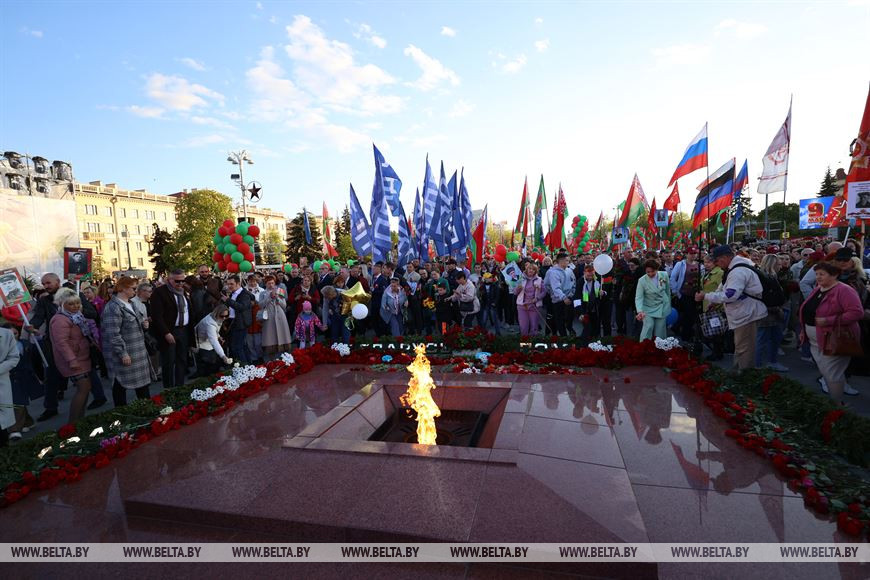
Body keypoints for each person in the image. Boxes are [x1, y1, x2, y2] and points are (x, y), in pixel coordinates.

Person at [799, 262, 865, 404]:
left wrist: (828, 320)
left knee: (832, 373)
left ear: (834, 275)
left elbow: (856, 312)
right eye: (817, 274)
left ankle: (837, 405)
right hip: (817, 341)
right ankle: (835, 403)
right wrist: (804, 331)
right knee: (827, 373)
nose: (818, 277)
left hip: (835, 339)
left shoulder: (844, 290)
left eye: (822, 274)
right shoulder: (819, 288)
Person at [695, 245, 767, 371]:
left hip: (746, 314)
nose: (716, 264)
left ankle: (744, 375)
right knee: (741, 347)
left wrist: (706, 296)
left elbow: (730, 295)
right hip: (743, 313)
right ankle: (739, 371)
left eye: (716, 261)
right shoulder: (735, 267)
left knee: (744, 348)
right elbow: (725, 287)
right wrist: (714, 300)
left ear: (724, 258)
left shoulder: (738, 271)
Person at [101, 276, 155, 406]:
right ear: (123, 288)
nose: (135, 291)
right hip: (125, 355)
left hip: (138, 352)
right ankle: (121, 414)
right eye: (133, 288)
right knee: (120, 386)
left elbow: (136, 323)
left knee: (143, 387)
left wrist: (144, 325)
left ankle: (146, 411)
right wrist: (123, 353)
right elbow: (113, 334)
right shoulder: (113, 307)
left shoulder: (131, 303)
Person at [49, 288, 98, 423]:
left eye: (77, 303)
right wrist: (72, 360)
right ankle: (73, 423)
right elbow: (61, 343)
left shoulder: (76, 315)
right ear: (62, 304)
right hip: (73, 360)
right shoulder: (60, 319)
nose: (75, 306)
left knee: (86, 389)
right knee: (83, 388)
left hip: (82, 357)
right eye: (71, 304)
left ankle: (79, 421)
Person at [24, 273, 64, 421]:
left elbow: (90, 313)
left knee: (84, 373)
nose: (46, 286)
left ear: (57, 281)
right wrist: (32, 325)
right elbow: (39, 317)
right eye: (44, 283)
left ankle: (98, 396)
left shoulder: (72, 295)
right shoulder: (44, 301)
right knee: (50, 373)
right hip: (52, 341)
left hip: (74, 340)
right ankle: (50, 407)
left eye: (48, 283)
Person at [149, 269, 192, 390]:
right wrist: (166, 332)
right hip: (169, 331)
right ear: (169, 280)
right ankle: (169, 389)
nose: (181, 283)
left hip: (183, 330)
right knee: (168, 361)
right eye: (177, 281)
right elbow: (157, 316)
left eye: (183, 280)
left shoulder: (184, 291)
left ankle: (180, 387)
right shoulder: (160, 292)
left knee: (182, 360)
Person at [755, 255, 789, 371]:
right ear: (772, 265)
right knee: (761, 339)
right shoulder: (764, 277)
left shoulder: (771, 276)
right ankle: (757, 365)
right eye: (778, 264)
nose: (780, 266)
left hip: (773, 312)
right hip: (767, 313)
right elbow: (763, 297)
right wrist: (775, 307)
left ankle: (771, 362)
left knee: (775, 338)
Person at [669, 246, 702, 343]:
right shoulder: (681, 264)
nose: (693, 255)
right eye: (691, 253)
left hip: (696, 294)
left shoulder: (700, 265)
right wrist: (676, 291)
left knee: (690, 316)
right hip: (684, 294)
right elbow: (673, 277)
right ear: (686, 254)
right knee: (689, 315)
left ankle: (684, 332)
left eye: (694, 253)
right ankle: (686, 336)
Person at [635, 259, 671, 340]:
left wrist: (668, 304)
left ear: (657, 269)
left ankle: (660, 347)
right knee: (648, 326)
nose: (650, 274)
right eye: (648, 272)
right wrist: (640, 311)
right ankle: (644, 346)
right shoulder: (642, 280)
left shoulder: (664, 275)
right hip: (647, 308)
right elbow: (639, 297)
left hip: (662, 306)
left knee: (660, 331)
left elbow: (667, 291)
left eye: (653, 271)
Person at [258, 276, 293, 359]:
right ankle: (271, 358)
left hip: (280, 316)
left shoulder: (280, 291)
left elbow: (284, 305)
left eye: (272, 283)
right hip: (269, 317)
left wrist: (277, 298)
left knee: (282, 335)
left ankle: (284, 357)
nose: (271, 285)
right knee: (270, 338)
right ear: (265, 284)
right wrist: (269, 297)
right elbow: (261, 305)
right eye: (269, 283)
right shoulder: (262, 293)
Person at [222, 275, 253, 364]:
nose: (229, 286)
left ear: (238, 283)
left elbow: (242, 307)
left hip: (241, 323)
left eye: (231, 284)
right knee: (242, 346)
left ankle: (244, 366)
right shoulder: (233, 293)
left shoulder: (244, 294)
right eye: (228, 284)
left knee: (237, 347)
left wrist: (228, 300)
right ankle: (248, 365)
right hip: (234, 322)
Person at [194, 304, 232, 376]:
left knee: (214, 360)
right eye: (222, 316)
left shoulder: (215, 317)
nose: (224, 318)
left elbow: (215, 330)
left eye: (226, 316)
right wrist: (223, 356)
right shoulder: (210, 324)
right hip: (201, 342)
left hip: (207, 339)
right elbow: (214, 341)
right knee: (208, 363)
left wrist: (219, 336)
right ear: (217, 313)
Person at [544, 252, 576, 336]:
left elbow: (573, 282)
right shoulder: (553, 272)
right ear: (561, 261)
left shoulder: (569, 270)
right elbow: (555, 288)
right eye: (567, 260)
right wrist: (563, 297)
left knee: (569, 317)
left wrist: (572, 294)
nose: (568, 262)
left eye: (568, 260)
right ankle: (562, 337)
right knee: (559, 319)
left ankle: (569, 330)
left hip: (569, 297)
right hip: (558, 299)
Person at [701, 254, 725, 361]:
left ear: (715, 262)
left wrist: (716, 304)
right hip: (706, 304)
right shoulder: (707, 273)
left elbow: (722, 289)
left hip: (715, 306)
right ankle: (716, 350)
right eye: (705, 262)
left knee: (716, 331)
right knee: (711, 330)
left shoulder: (719, 273)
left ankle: (717, 352)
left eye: (709, 262)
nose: (706, 264)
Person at [514, 262, 544, 336]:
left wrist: (537, 298)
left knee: (534, 327)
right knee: (524, 327)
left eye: (533, 269)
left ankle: (533, 342)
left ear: (535, 271)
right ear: (526, 269)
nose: (531, 270)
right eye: (530, 268)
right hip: (522, 306)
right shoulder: (520, 278)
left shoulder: (539, 280)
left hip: (534, 306)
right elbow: (515, 292)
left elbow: (544, 292)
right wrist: (518, 288)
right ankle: (525, 342)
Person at [577, 265, 604, 341]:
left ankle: (596, 343)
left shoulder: (598, 280)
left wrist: (603, 293)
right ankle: (584, 344)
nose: (590, 277)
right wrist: (580, 313)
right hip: (585, 308)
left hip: (595, 308)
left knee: (596, 328)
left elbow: (604, 291)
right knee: (587, 328)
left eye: (592, 275)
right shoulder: (580, 282)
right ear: (584, 273)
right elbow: (577, 298)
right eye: (588, 275)